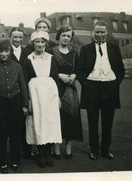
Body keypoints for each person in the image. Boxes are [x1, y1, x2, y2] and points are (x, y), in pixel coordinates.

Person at [76, 20, 125, 161]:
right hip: (91, 88)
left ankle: (105, 150)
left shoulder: (114, 48)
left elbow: (121, 70)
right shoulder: (86, 49)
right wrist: (86, 85)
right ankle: (94, 151)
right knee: (92, 122)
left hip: (110, 89)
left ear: (107, 32)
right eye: (97, 32)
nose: (100, 34)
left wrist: (115, 83)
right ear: (93, 33)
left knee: (107, 122)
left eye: (102, 32)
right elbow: (79, 70)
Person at [0, 39, 29, 173]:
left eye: (6, 51)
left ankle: (15, 161)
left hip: (15, 101)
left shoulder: (17, 67)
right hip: (0, 102)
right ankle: (3, 162)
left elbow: (23, 86)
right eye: (1, 51)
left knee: (15, 133)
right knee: (1, 134)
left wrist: (24, 104)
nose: (4, 54)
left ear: (10, 52)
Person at [23, 31, 62, 168]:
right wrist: (28, 100)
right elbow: (25, 80)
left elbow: (56, 78)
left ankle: (48, 153)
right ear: (33, 43)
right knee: (38, 122)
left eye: (42, 42)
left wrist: (57, 98)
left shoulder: (52, 58)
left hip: (50, 93)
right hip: (35, 93)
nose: (40, 44)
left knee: (50, 122)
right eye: (37, 42)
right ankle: (41, 153)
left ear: (46, 43)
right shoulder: (28, 59)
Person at [47, 25, 83, 160]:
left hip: (70, 89)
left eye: (69, 36)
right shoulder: (51, 52)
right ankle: (55, 148)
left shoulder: (74, 54)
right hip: (55, 88)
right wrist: (59, 75)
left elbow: (79, 69)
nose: (66, 38)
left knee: (71, 119)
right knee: (56, 118)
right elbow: (47, 71)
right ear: (59, 36)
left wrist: (74, 76)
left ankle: (68, 148)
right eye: (64, 35)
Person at [9, 27, 33, 158]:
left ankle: (27, 150)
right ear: (10, 37)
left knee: (26, 120)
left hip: (25, 90)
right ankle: (15, 151)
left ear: (23, 38)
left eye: (20, 37)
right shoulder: (5, 51)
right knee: (13, 123)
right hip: (11, 91)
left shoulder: (28, 52)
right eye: (15, 37)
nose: (17, 39)